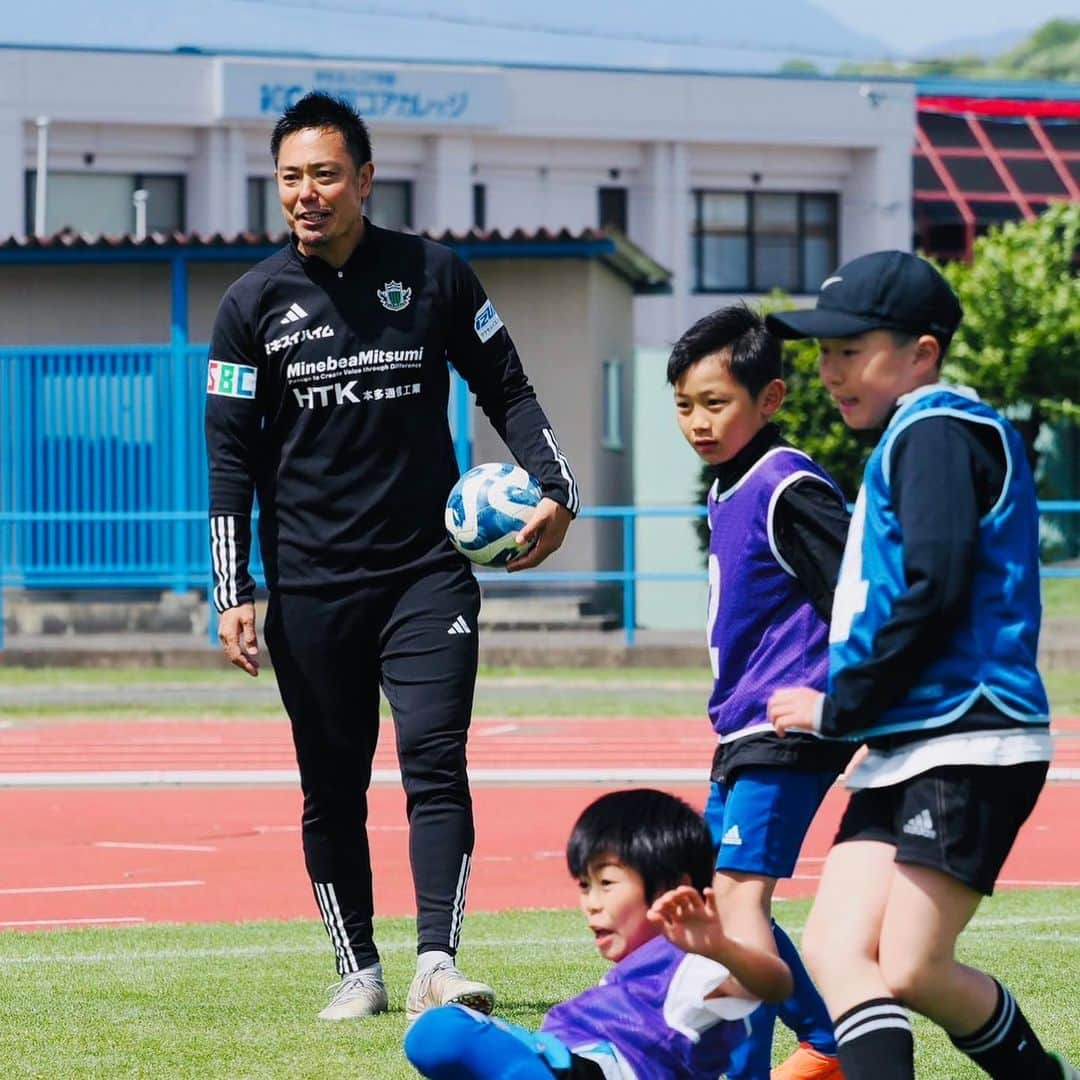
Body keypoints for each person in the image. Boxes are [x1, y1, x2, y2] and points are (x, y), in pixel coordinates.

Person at [205, 91, 578, 1022]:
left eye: (325, 175)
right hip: (310, 587)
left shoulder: (436, 274)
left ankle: (437, 961)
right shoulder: (249, 307)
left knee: (433, 759)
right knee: (330, 787)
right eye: (290, 177)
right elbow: (229, 456)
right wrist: (233, 588)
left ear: (364, 180)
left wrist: (558, 488)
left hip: (425, 574)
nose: (306, 194)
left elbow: (509, 387)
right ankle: (356, 968)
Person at [765, 250, 1077, 1080]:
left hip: (969, 739)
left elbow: (936, 588)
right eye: (823, 353)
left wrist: (841, 704)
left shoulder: (940, 429)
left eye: (850, 350)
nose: (830, 372)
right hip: (912, 744)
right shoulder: (913, 434)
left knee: (911, 965)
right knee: (837, 951)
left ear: (922, 353)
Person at [668, 305, 852, 1080]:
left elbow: (864, 593)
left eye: (717, 404)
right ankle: (824, 1045)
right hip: (743, 726)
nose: (698, 423)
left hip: (789, 727)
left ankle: (755, 1069)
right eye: (684, 405)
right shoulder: (726, 487)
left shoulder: (788, 485)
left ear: (769, 399)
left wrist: (844, 701)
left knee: (738, 902)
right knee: (713, 897)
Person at [404, 788, 792, 1079]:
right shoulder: (628, 973)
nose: (591, 902)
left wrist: (722, 948)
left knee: (444, 1030)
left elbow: (772, 985)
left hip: (588, 1071)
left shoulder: (692, 963)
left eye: (606, 883)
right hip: (554, 1059)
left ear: (674, 886)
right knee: (437, 1032)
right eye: (584, 886)